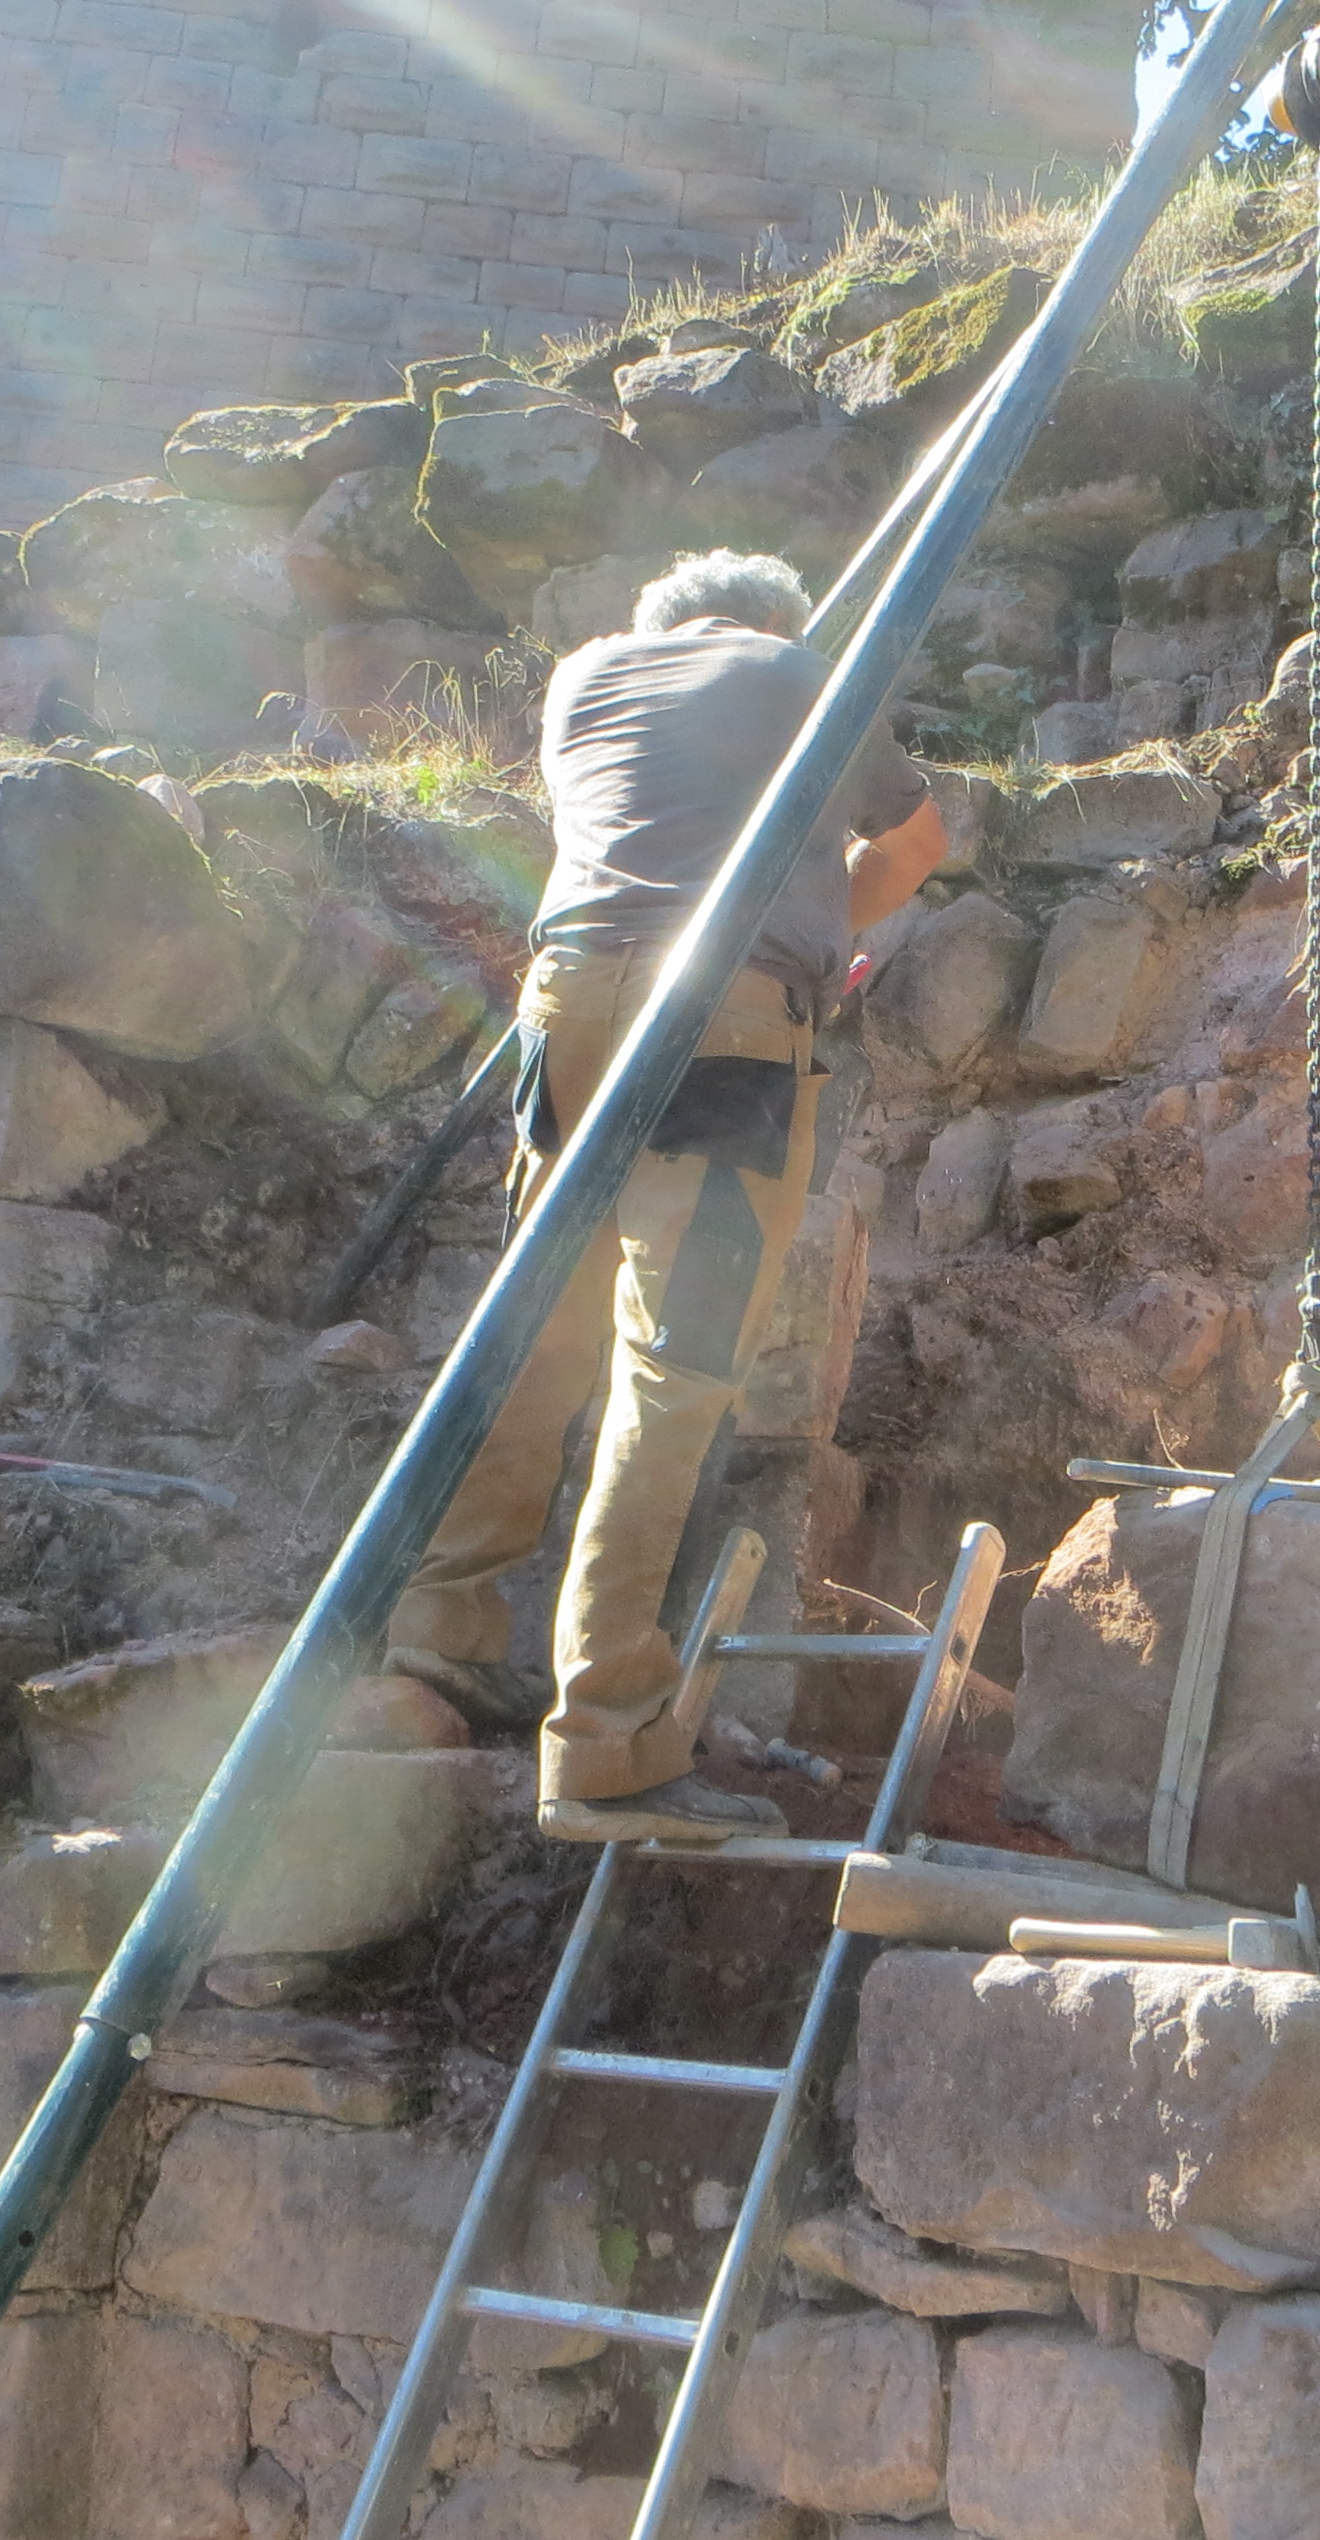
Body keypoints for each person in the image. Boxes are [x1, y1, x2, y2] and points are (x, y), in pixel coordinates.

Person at [384, 547, 948, 1841]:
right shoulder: (803, 672)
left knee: (538, 1331)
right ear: (774, 623)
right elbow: (918, 842)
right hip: (727, 1018)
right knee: (674, 1370)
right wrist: (830, 930)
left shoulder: (584, 680)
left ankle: (440, 1629)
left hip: (565, 1007)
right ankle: (606, 1742)